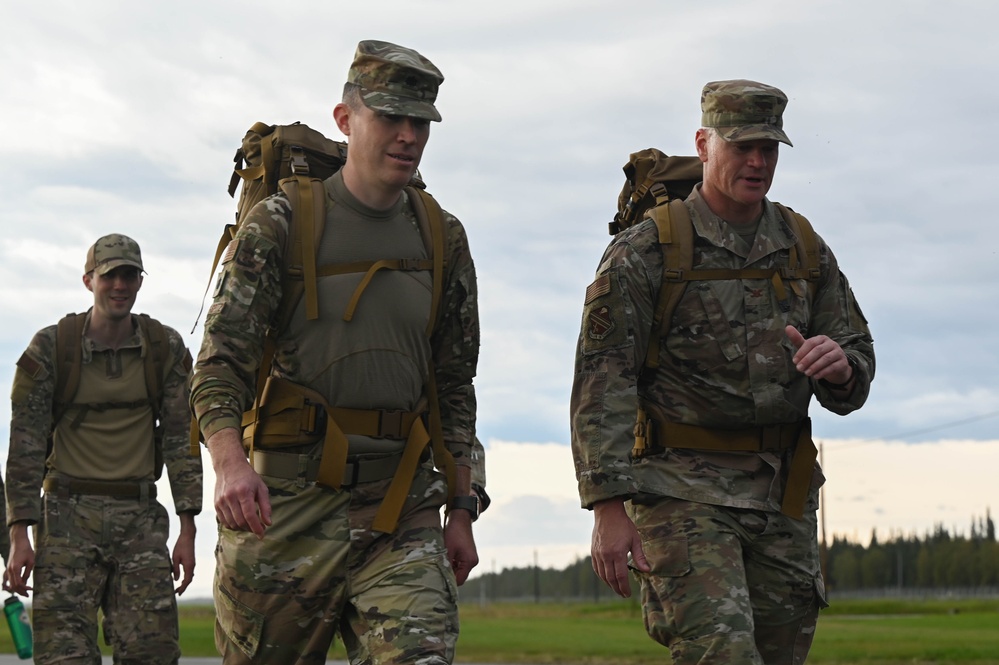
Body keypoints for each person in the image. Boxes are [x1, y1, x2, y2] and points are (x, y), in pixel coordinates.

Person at [191, 39, 479, 664]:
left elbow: (455, 386)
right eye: (391, 118)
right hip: (284, 508)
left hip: (400, 510)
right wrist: (230, 464)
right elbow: (218, 364)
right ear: (345, 120)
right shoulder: (279, 225)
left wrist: (462, 505)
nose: (408, 136)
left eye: (421, 122)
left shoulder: (441, 237)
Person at [570, 79, 875, 665]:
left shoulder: (803, 246)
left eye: (769, 148)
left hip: (782, 495)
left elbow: (854, 354)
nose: (758, 162)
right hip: (680, 492)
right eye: (742, 146)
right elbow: (602, 382)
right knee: (722, 653)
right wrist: (607, 505)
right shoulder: (648, 250)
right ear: (703, 144)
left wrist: (842, 368)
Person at [4, 233, 202, 664]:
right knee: (63, 655)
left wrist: (188, 529)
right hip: (65, 519)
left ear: (140, 281)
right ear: (88, 281)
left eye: (129, 275)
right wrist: (18, 535)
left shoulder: (164, 348)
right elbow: (25, 447)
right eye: (110, 275)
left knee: (153, 653)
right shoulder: (52, 347)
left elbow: (181, 441)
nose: (119, 285)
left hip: (140, 518)